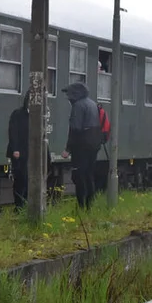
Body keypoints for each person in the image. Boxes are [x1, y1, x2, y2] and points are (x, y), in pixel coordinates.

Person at [60, 81, 102, 209]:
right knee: (89, 175)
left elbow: (75, 129)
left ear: (75, 94)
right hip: (94, 145)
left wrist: (68, 149)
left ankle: (81, 206)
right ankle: (90, 205)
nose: (68, 98)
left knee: (79, 176)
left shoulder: (78, 106)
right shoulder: (92, 104)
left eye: (69, 95)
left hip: (81, 147)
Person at [6, 91, 30, 208]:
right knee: (21, 179)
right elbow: (13, 132)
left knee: (29, 180)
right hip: (19, 153)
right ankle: (19, 205)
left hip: (31, 153)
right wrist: (15, 149)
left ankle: (26, 204)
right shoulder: (18, 114)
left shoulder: (38, 116)